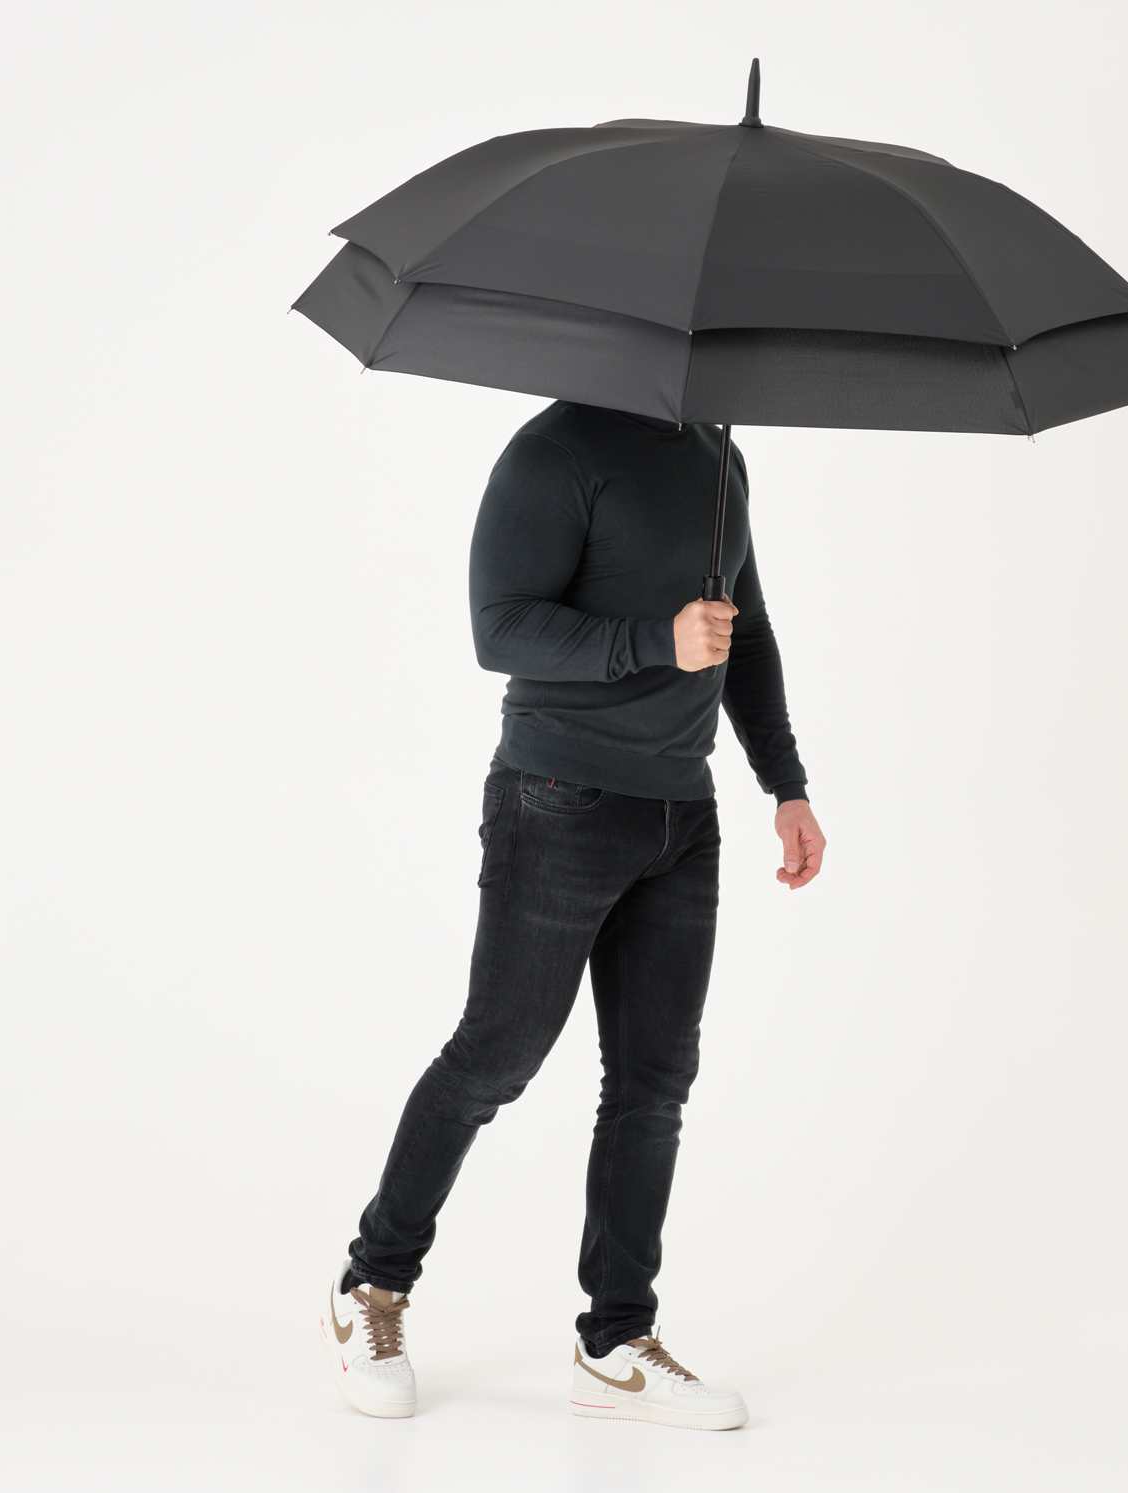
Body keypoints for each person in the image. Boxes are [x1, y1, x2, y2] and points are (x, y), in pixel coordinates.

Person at [319, 402, 824, 1429]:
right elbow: (499, 627)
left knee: (653, 1085)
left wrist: (787, 785)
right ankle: (373, 1282)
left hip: (682, 815)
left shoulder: (721, 455)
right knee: (496, 1057)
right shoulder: (555, 453)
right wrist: (659, 639)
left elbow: (749, 633)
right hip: (558, 799)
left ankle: (615, 1341)